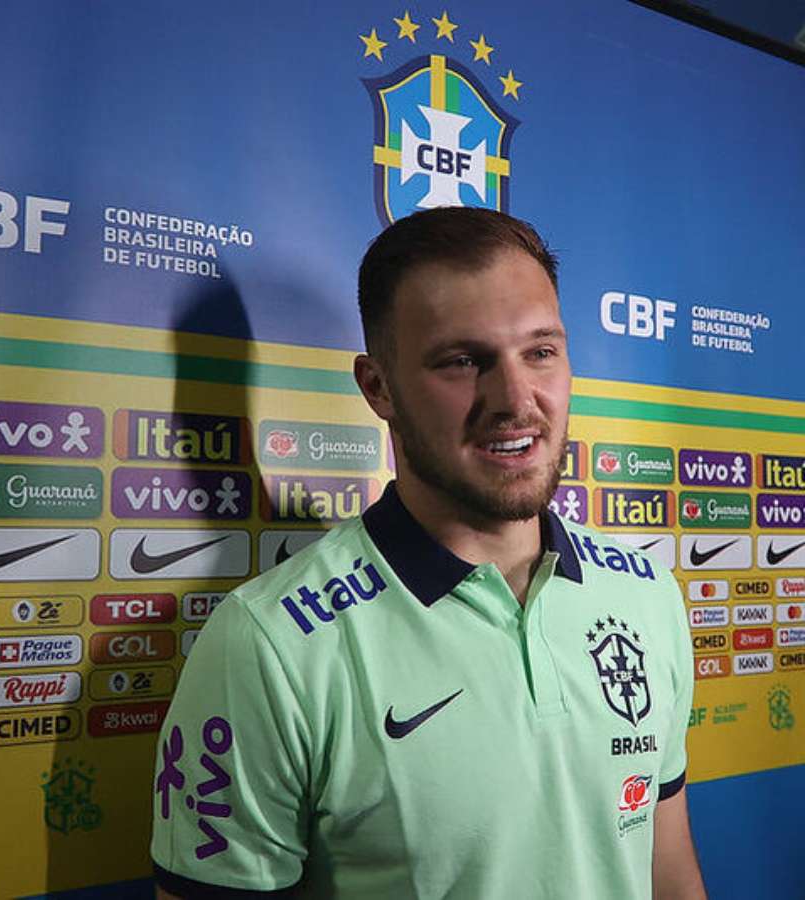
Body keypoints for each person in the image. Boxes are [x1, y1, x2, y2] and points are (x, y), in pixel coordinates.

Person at [149, 207, 706, 899]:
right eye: (463, 361)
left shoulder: (647, 594)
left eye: (540, 352)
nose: (516, 400)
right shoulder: (268, 645)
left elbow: (668, 871)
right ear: (378, 387)